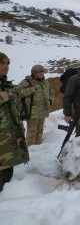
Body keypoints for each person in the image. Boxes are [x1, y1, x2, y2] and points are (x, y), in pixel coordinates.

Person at [0, 52, 35, 192]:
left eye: (8, 63)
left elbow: (17, 94)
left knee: (7, 174)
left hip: (8, 142)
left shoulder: (6, 85)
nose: (6, 66)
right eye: (3, 63)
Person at [17, 64, 55, 147]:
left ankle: (38, 149)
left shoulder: (46, 82)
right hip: (32, 112)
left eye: (42, 72)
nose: (42, 73)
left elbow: (51, 93)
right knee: (32, 132)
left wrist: (50, 101)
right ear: (34, 73)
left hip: (43, 111)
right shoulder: (27, 82)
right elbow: (17, 93)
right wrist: (30, 90)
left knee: (40, 130)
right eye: (39, 72)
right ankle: (30, 150)